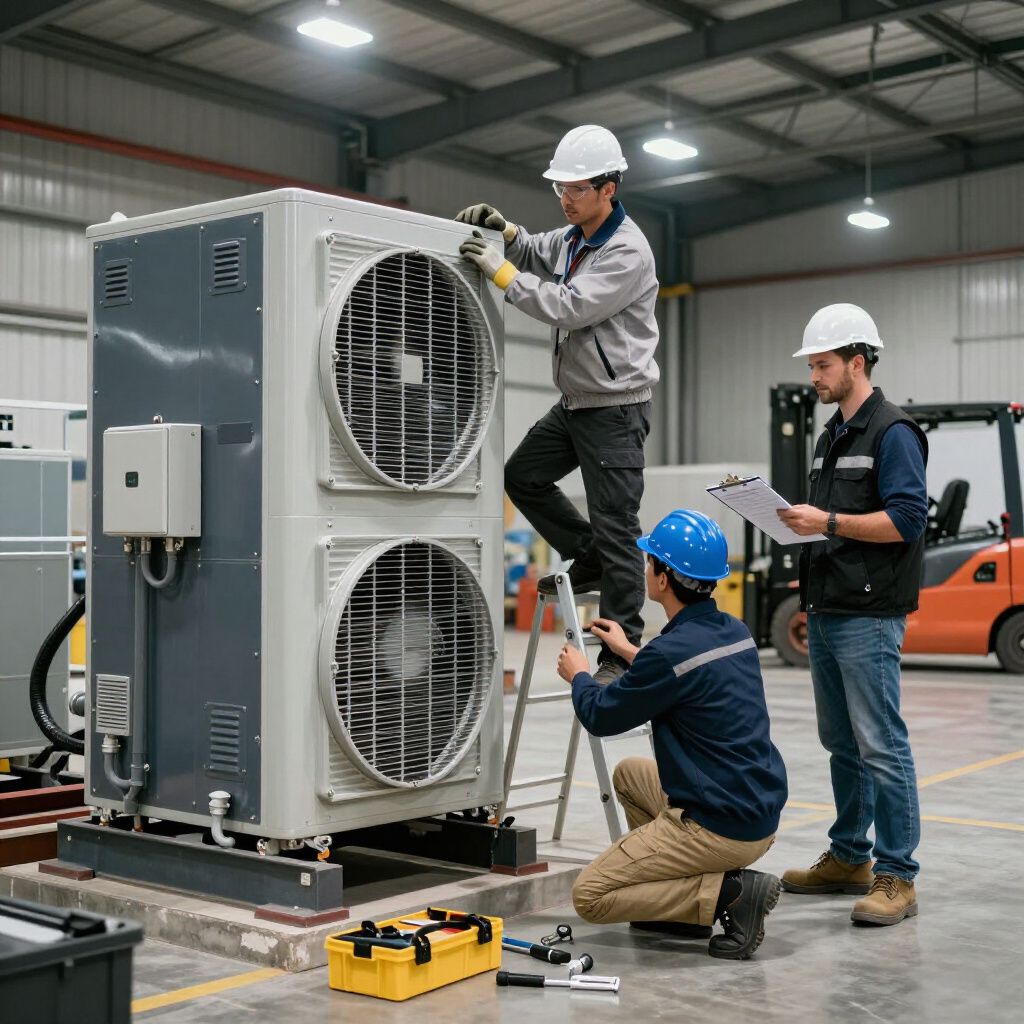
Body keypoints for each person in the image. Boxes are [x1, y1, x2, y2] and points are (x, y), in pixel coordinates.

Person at [456, 125, 659, 684]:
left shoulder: (626, 251)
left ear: (608, 188)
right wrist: (509, 231)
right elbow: (541, 250)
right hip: (577, 403)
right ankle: (585, 555)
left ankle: (621, 652)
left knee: (617, 525)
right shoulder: (576, 236)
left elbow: (570, 306)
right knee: (522, 476)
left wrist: (501, 273)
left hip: (615, 409)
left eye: (574, 189)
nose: (565, 199)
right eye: (559, 189)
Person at [555, 509, 788, 960]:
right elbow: (684, 672)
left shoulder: (670, 654)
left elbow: (601, 716)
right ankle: (679, 908)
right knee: (630, 774)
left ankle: (729, 894)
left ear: (664, 578)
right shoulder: (733, 632)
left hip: (719, 826)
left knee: (591, 896)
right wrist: (629, 651)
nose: (645, 569)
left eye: (650, 562)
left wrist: (579, 675)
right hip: (754, 807)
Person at [777, 303, 928, 927]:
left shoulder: (894, 433)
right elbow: (828, 524)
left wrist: (828, 522)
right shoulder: (830, 435)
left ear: (856, 363)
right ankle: (849, 857)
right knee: (841, 743)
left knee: (881, 744)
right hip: (828, 604)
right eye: (811, 365)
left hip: (869, 614)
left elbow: (907, 520)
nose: (814, 376)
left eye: (823, 364)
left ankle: (898, 875)